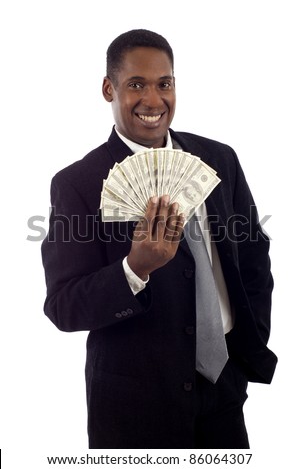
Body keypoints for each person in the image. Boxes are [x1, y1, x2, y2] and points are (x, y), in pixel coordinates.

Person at [41, 29, 277, 449]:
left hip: (223, 390)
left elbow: (254, 257)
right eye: (136, 85)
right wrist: (135, 269)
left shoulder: (219, 159)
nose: (153, 100)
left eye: (164, 84)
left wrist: (246, 342)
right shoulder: (77, 183)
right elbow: (63, 306)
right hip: (134, 406)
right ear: (108, 88)